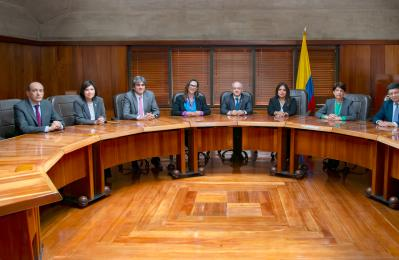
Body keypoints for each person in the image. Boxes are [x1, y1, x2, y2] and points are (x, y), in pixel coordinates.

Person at [123, 76, 162, 171]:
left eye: (143, 85)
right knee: (134, 139)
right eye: (138, 85)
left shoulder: (150, 94)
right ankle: (134, 162)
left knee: (155, 137)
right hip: (133, 125)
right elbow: (125, 114)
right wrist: (140, 117)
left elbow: (156, 111)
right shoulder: (128, 95)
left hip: (148, 124)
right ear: (133, 87)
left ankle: (155, 159)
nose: (140, 87)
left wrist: (153, 115)